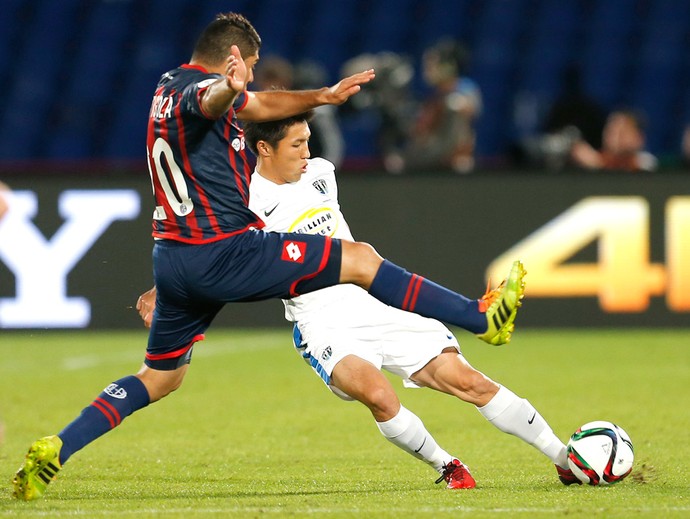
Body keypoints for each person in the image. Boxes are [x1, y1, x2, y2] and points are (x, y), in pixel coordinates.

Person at [12, 12, 525, 501]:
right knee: (361, 259)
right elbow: (214, 101)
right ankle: (480, 317)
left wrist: (321, 96)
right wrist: (228, 89)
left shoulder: (164, 89)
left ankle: (59, 446)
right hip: (225, 251)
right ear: (233, 57)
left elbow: (249, 107)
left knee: (160, 377)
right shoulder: (203, 92)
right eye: (251, 68)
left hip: (174, 259)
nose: (252, 79)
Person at [242, 111, 577, 488]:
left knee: (468, 381)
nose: (307, 152)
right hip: (322, 322)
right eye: (297, 144)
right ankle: (446, 465)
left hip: (374, 303)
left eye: (308, 141)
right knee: (378, 395)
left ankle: (564, 458)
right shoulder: (248, 206)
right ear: (264, 148)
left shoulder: (321, 173)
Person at [388, 38, 482, 174]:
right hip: (430, 156)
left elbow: (468, 112)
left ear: (449, 66)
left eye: (432, 65)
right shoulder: (433, 96)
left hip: (455, 159)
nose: (427, 70)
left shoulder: (465, 89)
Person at [570, 109, 658, 172]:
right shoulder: (600, 157)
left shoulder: (645, 162)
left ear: (638, 137)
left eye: (622, 132)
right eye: (611, 131)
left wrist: (598, 164)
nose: (615, 138)